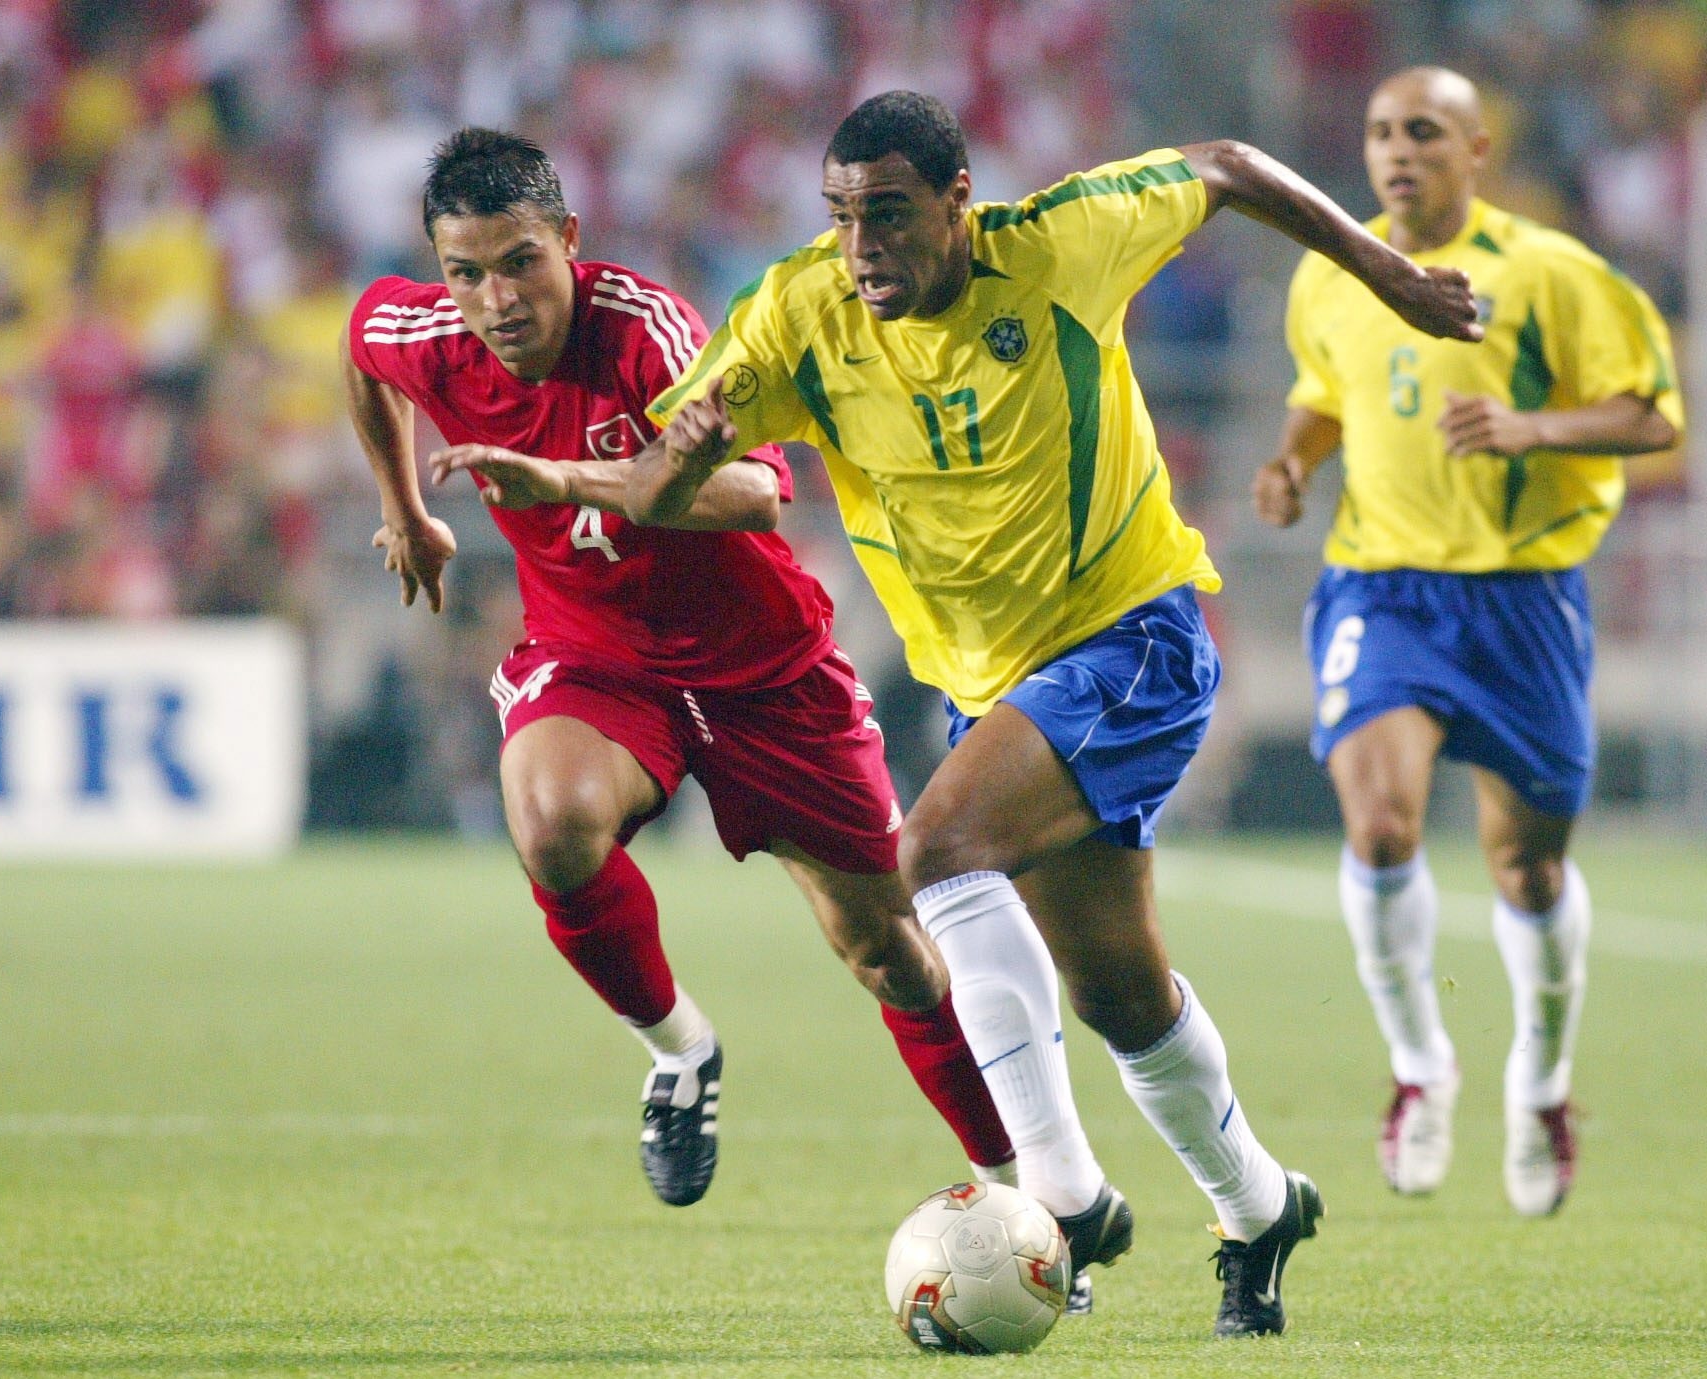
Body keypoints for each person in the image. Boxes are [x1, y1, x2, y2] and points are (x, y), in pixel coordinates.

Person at [444, 92, 1482, 1336]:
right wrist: (589, 472)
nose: (859, 244)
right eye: (837, 216)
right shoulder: (796, 313)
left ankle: (1059, 1198)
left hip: (1132, 634)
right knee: (1120, 995)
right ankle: (1260, 1207)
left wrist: (1386, 276)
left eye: (884, 213)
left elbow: (1225, 164)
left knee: (931, 851)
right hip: (990, 688)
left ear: (956, 202)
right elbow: (673, 478)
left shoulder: (1057, 244)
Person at [340, 126, 1016, 1213]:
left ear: (568, 238)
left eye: (519, 261)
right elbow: (360, 349)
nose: (497, 299)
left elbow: (754, 490)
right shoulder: (421, 330)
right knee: (552, 824)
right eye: (465, 272)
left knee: (887, 951)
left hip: (764, 671)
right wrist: (403, 510)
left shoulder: (646, 329)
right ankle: (679, 1052)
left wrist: (561, 481)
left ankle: (1016, 1182)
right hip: (597, 658)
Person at [1252, 68, 1684, 1216]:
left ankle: (1538, 1082)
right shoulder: (1330, 269)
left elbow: (1650, 412)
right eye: (1380, 131)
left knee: (1525, 865)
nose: (1397, 152)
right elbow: (1326, 391)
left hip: (1522, 599)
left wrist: (1529, 426)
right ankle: (1418, 1066)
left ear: (1476, 150)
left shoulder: (1549, 273)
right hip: (1381, 587)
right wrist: (1294, 457)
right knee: (1380, 822)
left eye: (1423, 132)